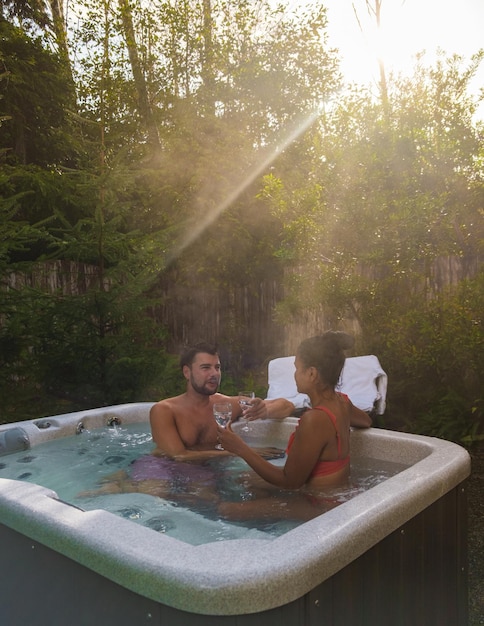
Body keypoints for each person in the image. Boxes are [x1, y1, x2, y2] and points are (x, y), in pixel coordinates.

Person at [216, 331, 372, 513]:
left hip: (321, 505)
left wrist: (240, 448)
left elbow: (290, 482)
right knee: (245, 478)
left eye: (297, 368)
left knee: (226, 510)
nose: (295, 374)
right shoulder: (342, 402)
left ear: (312, 374)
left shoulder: (315, 419)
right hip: (337, 494)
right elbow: (366, 421)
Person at [149, 341, 295, 462]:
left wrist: (265, 411)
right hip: (164, 469)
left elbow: (287, 406)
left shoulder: (225, 405)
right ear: (187, 372)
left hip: (209, 471)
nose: (214, 374)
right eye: (206, 368)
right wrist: (243, 452)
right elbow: (179, 456)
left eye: (217, 367)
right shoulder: (164, 410)